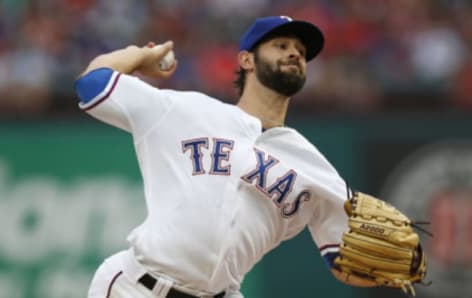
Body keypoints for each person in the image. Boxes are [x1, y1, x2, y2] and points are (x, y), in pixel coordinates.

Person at [74, 16, 377, 298]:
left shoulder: (312, 165)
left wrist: (390, 269)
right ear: (246, 59)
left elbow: (344, 260)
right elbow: (92, 84)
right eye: (281, 46)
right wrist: (139, 56)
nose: (295, 54)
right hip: (136, 287)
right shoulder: (184, 110)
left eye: (300, 50)